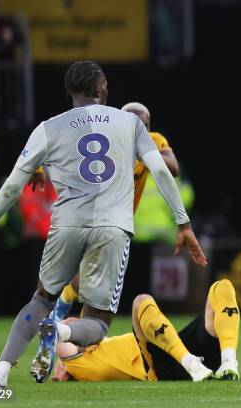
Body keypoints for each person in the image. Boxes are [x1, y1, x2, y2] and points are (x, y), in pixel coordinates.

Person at [0, 61, 207, 388]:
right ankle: (60, 330)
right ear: (101, 88)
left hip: (66, 224)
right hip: (113, 227)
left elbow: (12, 186)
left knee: (41, 299)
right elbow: (161, 171)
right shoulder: (130, 123)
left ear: (69, 92)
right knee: (97, 324)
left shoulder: (48, 128)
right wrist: (183, 223)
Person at [51, 101, 181, 321]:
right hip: (98, 217)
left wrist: (145, 151)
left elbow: (174, 168)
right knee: (100, 286)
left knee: (91, 279)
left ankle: (63, 308)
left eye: (144, 125)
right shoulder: (105, 144)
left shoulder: (154, 141)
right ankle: (77, 332)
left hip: (119, 223)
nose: (139, 129)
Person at [51, 279, 240, 382]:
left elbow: (80, 282)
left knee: (222, 287)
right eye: (69, 323)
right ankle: (191, 364)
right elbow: (56, 336)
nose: (71, 320)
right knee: (141, 301)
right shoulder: (78, 362)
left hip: (177, 349)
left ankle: (228, 362)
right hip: (154, 363)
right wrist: (60, 363)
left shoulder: (98, 339)